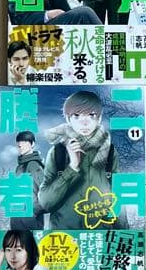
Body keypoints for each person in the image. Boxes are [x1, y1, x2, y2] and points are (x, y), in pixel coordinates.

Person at [37, 91, 124, 230]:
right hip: (64, 237)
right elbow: (46, 203)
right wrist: (72, 167)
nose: (84, 122)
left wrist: (124, 233)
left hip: (100, 233)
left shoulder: (109, 151)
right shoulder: (58, 152)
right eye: (76, 115)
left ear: (99, 118)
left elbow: (118, 198)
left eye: (91, 115)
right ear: (68, 118)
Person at [10, 129, 45, 230]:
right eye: (19, 142)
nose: (20, 145)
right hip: (18, 219)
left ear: (32, 144)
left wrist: (33, 211)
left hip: (28, 221)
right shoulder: (20, 166)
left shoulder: (33, 165)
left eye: (25, 142)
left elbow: (46, 193)